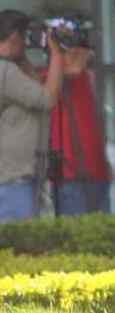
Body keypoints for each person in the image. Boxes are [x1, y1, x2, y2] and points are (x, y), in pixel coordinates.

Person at [0, 9, 63, 223]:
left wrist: (22, 57)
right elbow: (48, 99)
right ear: (14, 38)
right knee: (21, 251)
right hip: (11, 186)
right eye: (24, 39)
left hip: (10, 183)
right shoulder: (3, 71)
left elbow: (36, 90)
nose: (26, 45)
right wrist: (57, 55)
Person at [50, 44, 109, 216]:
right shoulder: (52, 77)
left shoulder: (85, 79)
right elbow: (74, 68)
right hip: (70, 176)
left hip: (98, 174)